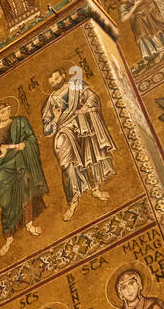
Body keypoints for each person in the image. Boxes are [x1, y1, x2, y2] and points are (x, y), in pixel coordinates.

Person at [42, 69, 114, 220]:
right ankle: (73, 202)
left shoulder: (75, 85)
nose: (54, 82)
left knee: (89, 157)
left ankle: (95, 188)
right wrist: (55, 118)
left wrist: (86, 108)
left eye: (56, 78)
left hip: (82, 124)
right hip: (64, 130)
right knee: (66, 163)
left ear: (62, 75)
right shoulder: (50, 101)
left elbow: (92, 97)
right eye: (52, 82)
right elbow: (47, 130)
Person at [0, 101, 47, 256]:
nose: (7, 113)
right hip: (4, 174)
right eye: (3, 111)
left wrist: (25, 144)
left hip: (21, 164)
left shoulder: (20, 122)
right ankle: (9, 236)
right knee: (7, 204)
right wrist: (2, 155)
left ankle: (29, 223)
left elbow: (31, 138)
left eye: (8, 110)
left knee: (26, 188)